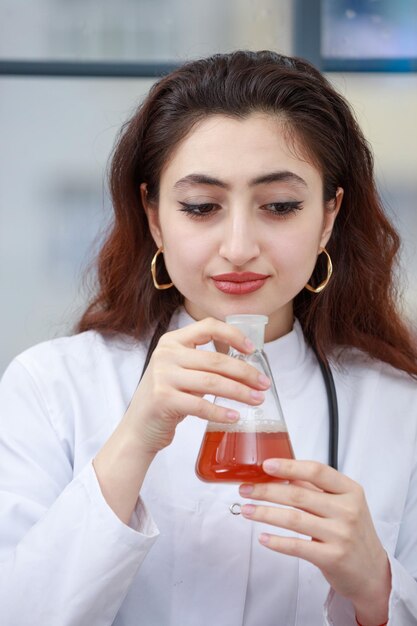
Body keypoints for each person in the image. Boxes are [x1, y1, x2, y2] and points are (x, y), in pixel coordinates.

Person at [0, 50, 416, 626]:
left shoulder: (399, 406)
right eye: (201, 207)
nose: (240, 245)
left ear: (327, 215)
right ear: (153, 217)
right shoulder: (52, 386)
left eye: (279, 206)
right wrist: (135, 440)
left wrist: (378, 589)